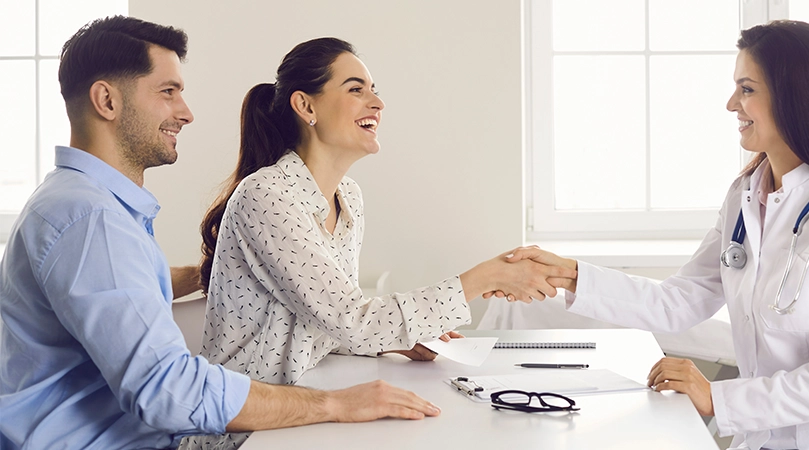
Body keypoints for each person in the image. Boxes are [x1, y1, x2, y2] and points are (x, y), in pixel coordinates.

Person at [0, 16, 451, 450]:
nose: (187, 112)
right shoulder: (90, 219)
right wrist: (333, 404)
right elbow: (167, 391)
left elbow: (122, 286)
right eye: (168, 92)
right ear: (107, 101)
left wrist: (212, 272)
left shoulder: (79, 203)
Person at [497, 21, 809, 449]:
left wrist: (716, 397)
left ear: (796, 96)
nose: (731, 104)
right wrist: (571, 275)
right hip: (762, 438)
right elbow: (678, 302)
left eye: (747, 89)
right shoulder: (745, 195)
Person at [182, 37, 573, 449]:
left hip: (305, 413)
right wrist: (482, 279)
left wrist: (394, 341)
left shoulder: (348, 196)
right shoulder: (266, 196)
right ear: (306, 107)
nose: (377, 103)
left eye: (374, 90)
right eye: (356, 89)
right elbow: (353, 319)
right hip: (246, 432)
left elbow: (327, 322)